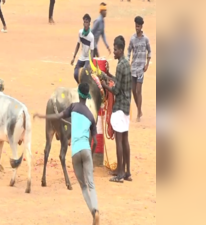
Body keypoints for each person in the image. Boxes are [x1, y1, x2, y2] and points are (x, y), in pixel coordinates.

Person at [33, 83, 100, 225]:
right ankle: (96, 210)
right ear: (87, 97)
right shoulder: (90, 115)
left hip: (75, 152)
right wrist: (92, 155)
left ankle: (92, 213)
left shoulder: (73, 107)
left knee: (82, 187)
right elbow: (95, 140)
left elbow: (58, 115)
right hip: (87, 151)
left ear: (78, 95)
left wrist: (42, 116)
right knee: (91, 185)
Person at [101, 36, 132, 183]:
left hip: (119, 107)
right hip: (127, 107)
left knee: (119, 141)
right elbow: (119, 81)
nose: (114, 51)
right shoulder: (126, 64)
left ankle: (119, 174)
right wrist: (108, 75)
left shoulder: (120, 66)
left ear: (120, 50)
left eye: (115, 49)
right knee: (125, 140)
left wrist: (105, 85)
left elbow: (117, 89)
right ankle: (127, 171)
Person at [127, 16, 152, 122]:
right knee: (133, 90)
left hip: (141, 69)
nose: (137, 28)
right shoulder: (132, 39)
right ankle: (139, 109)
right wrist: (128, 61)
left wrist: (147, 65)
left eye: (138, 26)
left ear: (141, 26)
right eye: (135, 26)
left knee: (138, 91)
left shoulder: (145, 39)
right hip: (133, 68)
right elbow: (128, 52)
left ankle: (138, 113)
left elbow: (149, 52)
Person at [71, 14, 95, 84]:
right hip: (82, 56)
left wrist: (91, 62)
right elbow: (78, 45)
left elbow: (92, 51)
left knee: (85, 73)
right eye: (84, 22)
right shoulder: (80, 33)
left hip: (88, 57)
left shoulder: (91, 37)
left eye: (87, 22)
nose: (85, 24)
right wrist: (74, 57)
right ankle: (80, 85)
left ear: (89, 23)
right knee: (76, 73)